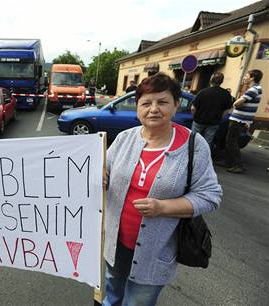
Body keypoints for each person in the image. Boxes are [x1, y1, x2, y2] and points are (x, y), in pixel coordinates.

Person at [103, 73, 222, 306]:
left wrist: (162, 207)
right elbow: (103, 170)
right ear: (137, 107)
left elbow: (210, 196)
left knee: (138, 302)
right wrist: (101, 177)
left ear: (176, 105)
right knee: (111, 296)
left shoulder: (194, 146)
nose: (154, 109)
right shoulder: (124, 139)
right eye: (146, 103)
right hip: (115, 243)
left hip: (155, 251)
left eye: (162, 102)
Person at [219, 69, 263, 173]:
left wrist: (235, 103)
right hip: (240, 119)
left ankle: (237, 165)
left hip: (239, 119)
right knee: (230, 141)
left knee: (232, 142)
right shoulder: (255, 89)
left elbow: (237, 103)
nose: (244, 77)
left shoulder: (254, 90)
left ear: (252, 78)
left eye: (246, 75)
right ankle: (228, 161)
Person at [191, 72, 233, 149]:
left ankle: (191, 156)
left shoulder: (203, 92)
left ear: (211, 80)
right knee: (207, 142)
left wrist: (195, 116)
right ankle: (203, 158)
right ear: (221, 81)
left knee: (193, 140)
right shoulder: (226, 94)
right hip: (214, 123)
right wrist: (220, 118)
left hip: (199, 121)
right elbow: (227, 110)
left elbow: (193, 108)